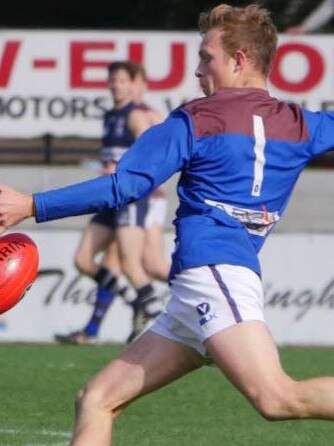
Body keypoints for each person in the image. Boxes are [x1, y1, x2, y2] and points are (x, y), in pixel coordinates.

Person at [3, 3, 334, 445]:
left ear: (239, 59)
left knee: (277, 398)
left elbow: (122, 187)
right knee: (97, 398)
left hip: (214, 275)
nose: (197, 70)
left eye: (206, 57)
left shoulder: (194, 119)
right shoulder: (303, 124)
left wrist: (30, 203)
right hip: (200, 288)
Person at [55, 61, 162, 346]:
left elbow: (149, 151)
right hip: (108, 198)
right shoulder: (110, 115)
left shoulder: (135, 114)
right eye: (112, 80)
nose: (116, 85)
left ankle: (154, 315)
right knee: (83, 260)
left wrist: (122, 168)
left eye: (122, 80)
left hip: (130, 197)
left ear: (132, 84)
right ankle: (135, 301)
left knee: (133, 263)